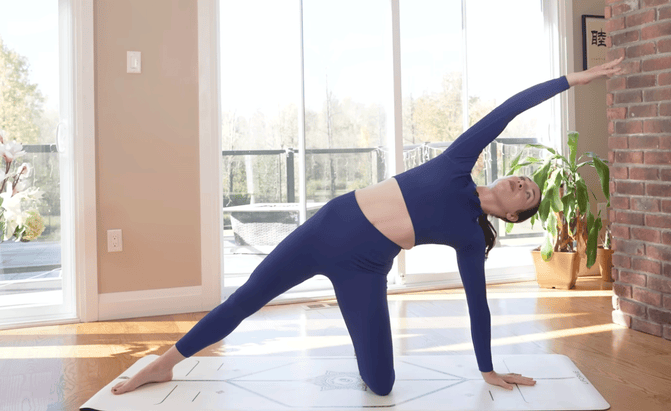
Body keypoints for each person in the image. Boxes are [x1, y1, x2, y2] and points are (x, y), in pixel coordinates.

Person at [112, 57, 624, 396]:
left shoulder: (471, 237)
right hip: (328, 228)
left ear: (513, 217)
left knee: (381, 385)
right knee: (246, 298)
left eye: (529, 196)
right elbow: (510, 108)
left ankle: (359, 337)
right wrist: (573, 80)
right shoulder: (458, 160)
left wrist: (487, 369)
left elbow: (477, 303)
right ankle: (166, 361)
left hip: (365, 268)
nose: (523, 184)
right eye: (523, 180)